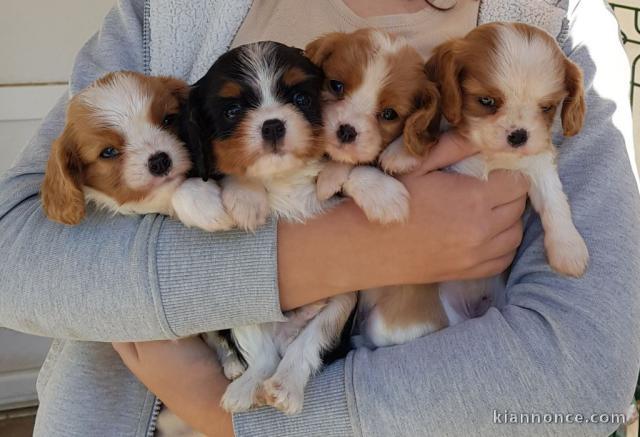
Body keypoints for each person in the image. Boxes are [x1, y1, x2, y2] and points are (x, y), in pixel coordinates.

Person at [0, 0, 637, 436]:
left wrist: (236, 421)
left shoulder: (554, 22)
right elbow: (16, 256)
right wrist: (334, 253)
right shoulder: (167, 11)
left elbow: (586, 374)